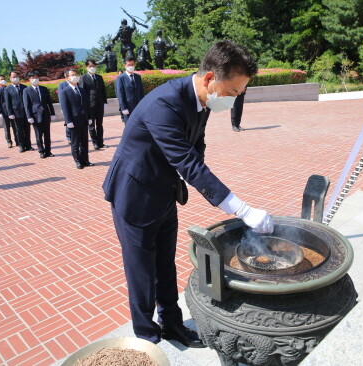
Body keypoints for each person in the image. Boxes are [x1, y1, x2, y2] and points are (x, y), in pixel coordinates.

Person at [102, 40, 273, 347]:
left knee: (165, 263)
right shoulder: (164, 104)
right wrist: (242, 209)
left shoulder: (202, 100)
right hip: (135, 196)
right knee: (141, 271)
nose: (234, 100)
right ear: (210, 79)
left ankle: (172, 324)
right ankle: (146, 336)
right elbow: (187, 161)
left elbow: (196, 146)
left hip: (164, 192)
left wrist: (200, 175)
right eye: (233, 92)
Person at [58, 69, 93, 169]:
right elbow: (65, 108)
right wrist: (68, 121)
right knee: (75, 143)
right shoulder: (64, 92)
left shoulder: (82, 90)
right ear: (67, 78)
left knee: (84, 142)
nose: (75, 77)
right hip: (73, 121)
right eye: (72, 75)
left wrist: (89, 117)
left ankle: (85, 160)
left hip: (84, 119)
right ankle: (78, 161)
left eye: (76, 75)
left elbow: (87, 105)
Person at [23, 72, 56, 159]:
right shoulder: (26, 91)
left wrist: (52, 113)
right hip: (35, 116)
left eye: (36, 77)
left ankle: (48, 151)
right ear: (29, 80)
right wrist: (29, 116)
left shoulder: (44, 89)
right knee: (38, 135)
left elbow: (49, 102)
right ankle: (41, 151)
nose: (35, 79)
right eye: (33, 78)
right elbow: (27, 105)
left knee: (47, 135)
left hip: (46, 114)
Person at [79, 60, 108, 150]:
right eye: (91, 66)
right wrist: (84, 105)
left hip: (99, 104)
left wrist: (105, 101)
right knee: (91, 125)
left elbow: (103, 90)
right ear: (87, 67)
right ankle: (95, 142)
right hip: (89, 105)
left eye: (94, 66)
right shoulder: (83, 78)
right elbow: (82, 92)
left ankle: (100, 142)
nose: (93, 68)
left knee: (100, 124)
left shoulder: (99, 77)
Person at [4, 71, 33, 152]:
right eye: (13, 77)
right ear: (10, 78)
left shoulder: (24, 87)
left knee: (27, 129)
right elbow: (7, 102)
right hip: (16, 112)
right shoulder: (7, 89)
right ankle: (21, 145)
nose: (15, 78)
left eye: (16, 76)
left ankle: (28, 145)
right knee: (18, 130)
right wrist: (10, 113)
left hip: (25, 112)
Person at [114, 56, 144, 123]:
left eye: (132, 64)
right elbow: (120, 94)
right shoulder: (121, 78)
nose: (131, 66)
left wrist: (143, 104)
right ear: (125, 65)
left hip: (138, 106)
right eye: (129, 65)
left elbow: (141, 92)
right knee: (129, 127)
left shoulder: (138, 77)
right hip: (128, 107)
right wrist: (123, 108)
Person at [0, 75, 18, 148]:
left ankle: (17, 140)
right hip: (4, 112)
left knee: (15, 127)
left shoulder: (10, 89)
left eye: (4, 79)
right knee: (6, 128)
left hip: (12, 111)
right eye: (1, 79)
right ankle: (9, 141)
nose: (3, 80)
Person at [58, 78, 72, 144]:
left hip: (75, 106)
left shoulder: (77, 83)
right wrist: (62, 107)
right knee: (68, 121)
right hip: (66, 106)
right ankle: (69, 137)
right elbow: (60, 97)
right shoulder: (62, 84)